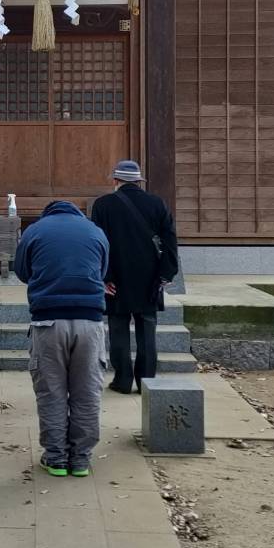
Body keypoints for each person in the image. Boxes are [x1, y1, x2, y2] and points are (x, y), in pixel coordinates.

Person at [13, 200, 110, 478]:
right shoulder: (95, 231)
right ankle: (80, 460)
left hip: (48, 320)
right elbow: (102, 271)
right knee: (87, 392)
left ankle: (55, 459)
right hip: (90, 321)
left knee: (51, 392)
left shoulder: (35, 230)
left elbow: (22, 271)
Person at [90, 159, 180, 395]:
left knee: (118, 327)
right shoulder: (156, 203)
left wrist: (104, 276)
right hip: (149, 276)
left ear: (115, 180)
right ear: (139, 181)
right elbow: (170, 239)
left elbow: (98, 243)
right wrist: (166, 273)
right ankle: (147, 381)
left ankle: (122, 380)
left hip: (116, 276)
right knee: (147, 328)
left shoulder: (102, 205)